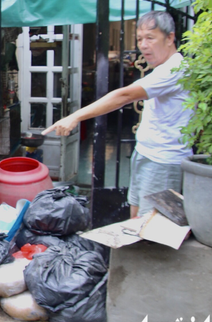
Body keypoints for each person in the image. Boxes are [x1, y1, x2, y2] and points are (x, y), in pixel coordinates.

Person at [42, 11, 192, 217]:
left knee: (152, 226)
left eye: (150, 38)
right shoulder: (163, 68)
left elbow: (125, 95)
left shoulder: (176, 69)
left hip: (163, 162)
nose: (144, 45)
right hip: (147, 154)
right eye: (139, 39)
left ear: (170, 38)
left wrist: (74, 116)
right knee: (136, 215)